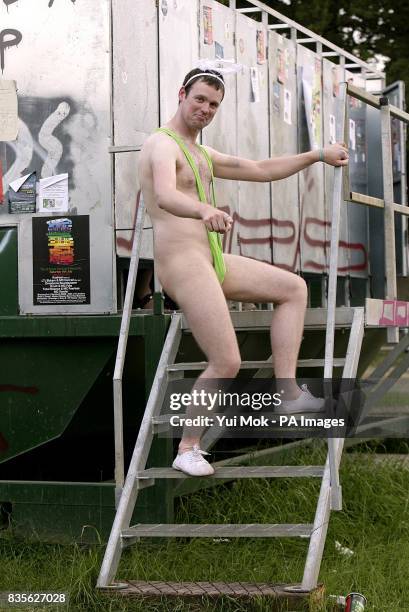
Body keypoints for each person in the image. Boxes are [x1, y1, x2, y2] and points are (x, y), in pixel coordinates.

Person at [139, 68, 349, 476]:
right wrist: (202, 209)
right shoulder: (160, 145)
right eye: (199, 99)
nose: (205, 109)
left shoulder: (201, 153)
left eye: (214, 104)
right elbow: (164, 196)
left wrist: (316, 155)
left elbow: (259, 169)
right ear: (182, 94)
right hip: (182, 263)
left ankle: (287, 392)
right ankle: (188, 447)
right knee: (227, 361)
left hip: (212, 258)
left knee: (293, 288)